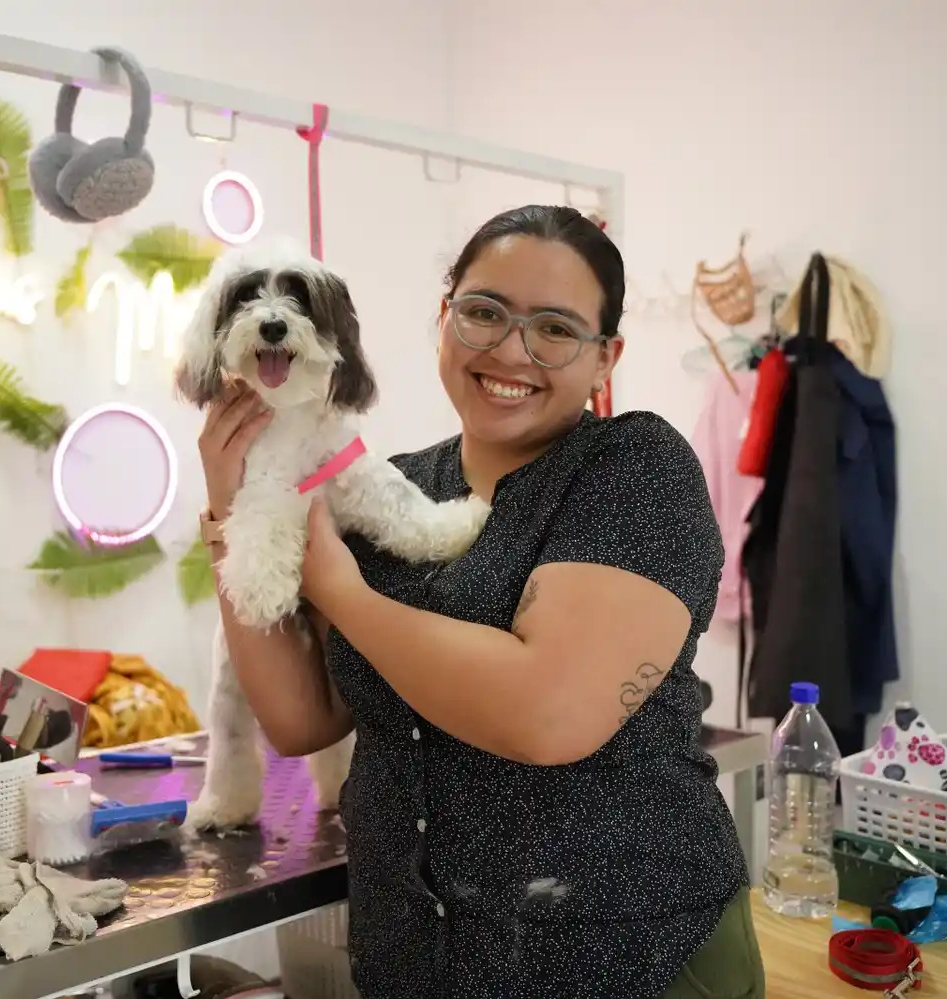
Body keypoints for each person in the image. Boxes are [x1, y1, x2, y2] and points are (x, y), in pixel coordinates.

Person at [195, 205, 765, 999]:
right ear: (444, 318)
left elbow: (547, 713)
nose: (510, 349)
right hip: (417, 962)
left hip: (629, 958)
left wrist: (338, 589)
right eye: (484, 312)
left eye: (556, 329)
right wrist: (234, 508)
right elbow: (301, 719)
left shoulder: (635, 470)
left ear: (607, 359)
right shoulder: (391, 484)